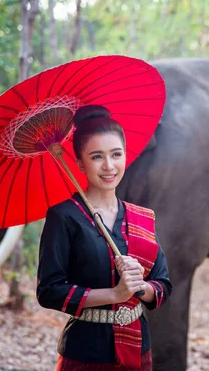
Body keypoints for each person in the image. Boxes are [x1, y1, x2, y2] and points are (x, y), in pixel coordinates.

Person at [36, 105, 172, 371]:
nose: (109, 166)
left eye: (116, 154)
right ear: (80, 163)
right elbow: (49, 291)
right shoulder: (64, 217)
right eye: (97, 157)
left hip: (138, 349)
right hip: (85, 352)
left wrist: (139, 286)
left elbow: (163, 285)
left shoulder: (141, 217)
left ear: (125, 157)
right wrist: (114, 293)